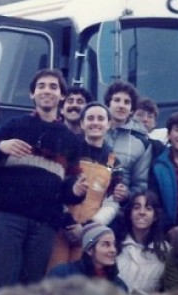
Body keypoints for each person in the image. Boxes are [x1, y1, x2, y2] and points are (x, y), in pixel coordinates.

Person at [0, 68, 88, 295]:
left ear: (62, 96)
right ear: (32, 94)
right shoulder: (14, 126)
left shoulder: (70, 140)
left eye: (53, 87)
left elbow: (67, 190)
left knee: (31, 292)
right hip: (8, 218)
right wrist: (1, 147)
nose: (47, 91)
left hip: (44, 225)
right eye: (42, 86)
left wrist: (76, 191)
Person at [47, 102, 128, 271]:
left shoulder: (113, 162)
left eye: (100, 119)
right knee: (53, 277)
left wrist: (87, 228)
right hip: (59, 229)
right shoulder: (67, 151)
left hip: (90, 235)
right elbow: (53, 186)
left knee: (81, 283)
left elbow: (112, 201)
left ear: (109, 124)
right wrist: (67, 223)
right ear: (82, 123)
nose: (95, 123)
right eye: (90, 118)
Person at [115, 190, 170, 295]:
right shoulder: (115, 245)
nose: (142, 212)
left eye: (148, 208)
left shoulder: (165, 251)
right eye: (137, 207)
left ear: (155, 216)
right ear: (129, 214)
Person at [47, 222, 128, 292]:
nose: (113, 250)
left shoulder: (119, 286)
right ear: (90, 250)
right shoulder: (62, 275)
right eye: (106, 244)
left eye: (114, 244)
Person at [104, 81, 153, 195]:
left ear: (131, 109)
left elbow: (140, 185)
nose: (121, 106)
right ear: (107, 104)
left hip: (121, 208)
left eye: (127, 102)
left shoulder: (141, 142)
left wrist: (127, 194)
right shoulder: (93, 131)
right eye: (117, 100)